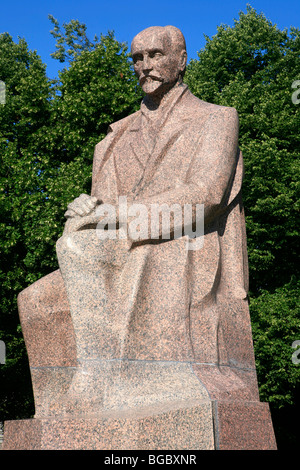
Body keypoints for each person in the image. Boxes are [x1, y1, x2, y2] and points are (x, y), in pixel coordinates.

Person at [18, 26, 259, 418]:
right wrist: (87, 209)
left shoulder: (216, 119)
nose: (145, 66)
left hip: (186, 241)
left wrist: (121, 214)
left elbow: (206, 194)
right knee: (37, 300)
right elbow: (104, 206)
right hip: (117, 247)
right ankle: (58, 417)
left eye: (155, 55)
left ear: (181, 60)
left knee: (82, 248)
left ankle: (98, 371)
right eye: (137, 58)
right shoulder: (112, 139)